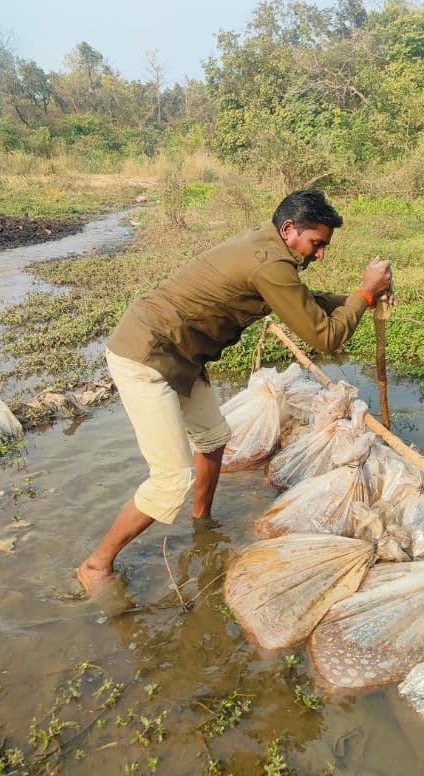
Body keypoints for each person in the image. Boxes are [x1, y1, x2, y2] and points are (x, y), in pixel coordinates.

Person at [77, 189, 392, 594]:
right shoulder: (270, 263)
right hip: (147, 356)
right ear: (289, 229)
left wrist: (360, 298)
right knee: (171, 480)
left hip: (181, 356)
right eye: (317, 244)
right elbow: (326, 337)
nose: (320, 255)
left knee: (213, 439)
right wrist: (364, 294)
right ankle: (95, 565)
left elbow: (303, 301)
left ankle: (202, 521)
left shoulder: (268, 248)